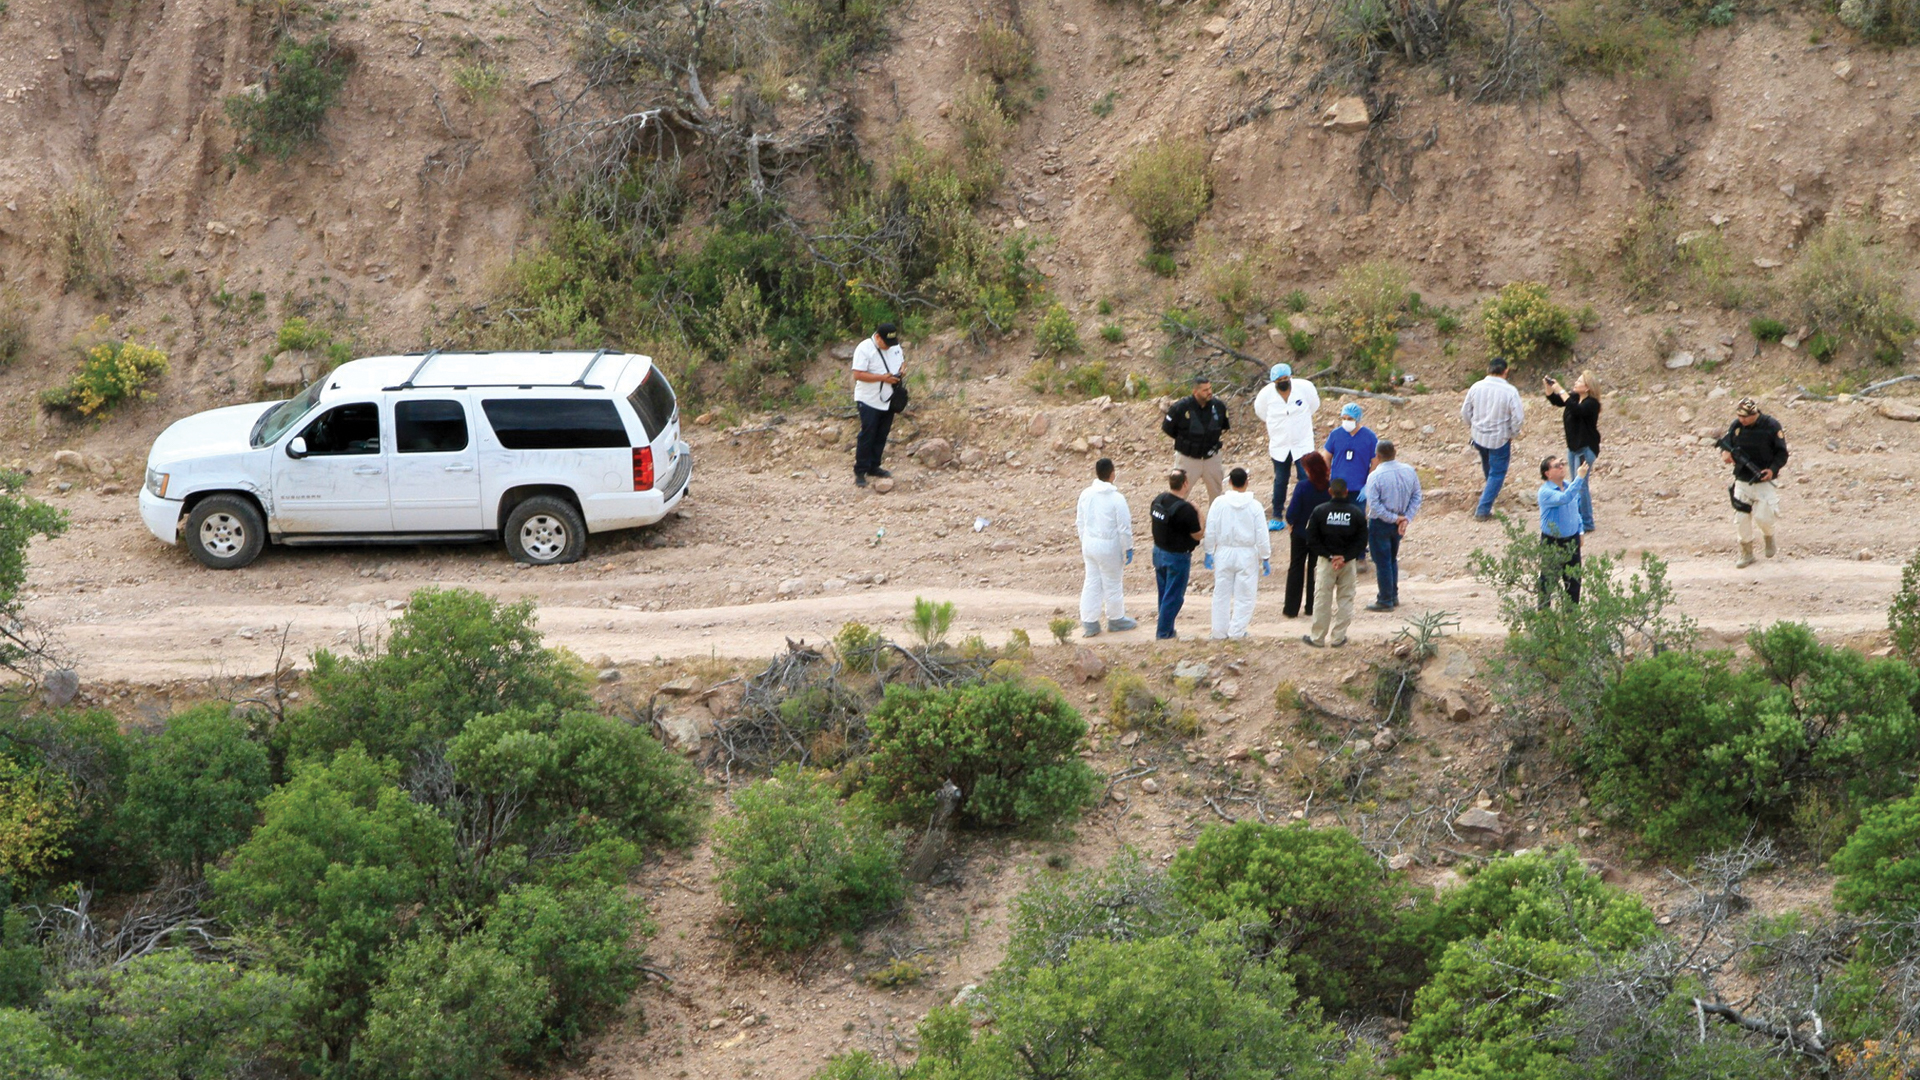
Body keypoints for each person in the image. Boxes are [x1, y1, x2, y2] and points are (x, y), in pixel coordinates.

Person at [1719, 397, 1789, 568]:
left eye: (1745, 417)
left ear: (1754, 414)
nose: (1741, 420)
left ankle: (1769, 536)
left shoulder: (1771, 425)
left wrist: (1772, 470)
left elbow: (1782, 453)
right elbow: (1727, 443)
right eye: (1739, 416)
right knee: (1741, 518)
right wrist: (1725, 452)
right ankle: (1746, 553)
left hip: (1763, 481)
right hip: (1742, 480)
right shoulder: (1737, 426)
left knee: (1763, 518)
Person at [1202, 466, 1271, 640]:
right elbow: (1261, 534)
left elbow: (1211, 528)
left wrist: (1209, 550)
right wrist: (1265, 556)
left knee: (1221, 594)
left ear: (1230, 482)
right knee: (1245, 595)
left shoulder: (1219, 503)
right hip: (1246, 554)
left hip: (1224, 551)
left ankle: (1219, 632)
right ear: (1247, 482)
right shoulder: (1254, 506)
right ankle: (1237, 631)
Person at [1252, 363, 1321, 529]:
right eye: (1279, 380)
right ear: (1273, 381)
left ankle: (1307, 513)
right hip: (1280, 445)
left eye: (1285, 378)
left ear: (1290, 377)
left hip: (1302, 444)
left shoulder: (1305, 388)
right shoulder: (1265, 395)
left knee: (1306, 478)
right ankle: (1277, 515)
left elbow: (1313, 406)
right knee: (1280, 480)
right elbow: (1261, 413)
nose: (1283, 382)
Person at [1303, 478, 1367, 649]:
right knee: (1346, 599)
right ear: (1346, 492)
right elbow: (1361, 542)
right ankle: (1338, 638)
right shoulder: (1356, 513)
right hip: (1348, 563)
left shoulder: (1320, 511)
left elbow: (1312, 539)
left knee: (1322, 599)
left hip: (1326, 563)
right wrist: (1345, 557)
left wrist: (1330, 556)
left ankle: (1317, 638)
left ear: (1330, 492)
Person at [1075, 458, 1137, 636]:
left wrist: (1084, 541)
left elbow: (1080, 521)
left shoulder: (1086, 494)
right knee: (1113, 583)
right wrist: (1128, 548)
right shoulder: (1117, 499)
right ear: (1112, 474)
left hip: (1090, 543)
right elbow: (1124, 528)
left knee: (1091, 582)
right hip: (1108, 546)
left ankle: (1089, 622)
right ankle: (1116, 619)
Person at [1360, 440, 1422, 612]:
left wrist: (1395, 519)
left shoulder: (1375, 476)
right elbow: (1417, 496)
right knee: (1392, 559)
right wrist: (1405, 518)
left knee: (1382, 561)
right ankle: (1392, 595)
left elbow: (1374, 505)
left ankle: (1385, 599)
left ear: (1377, 456)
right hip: (1399, 523)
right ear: (1395, 453)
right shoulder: (1408, 470)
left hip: (1381, 523)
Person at [1462, 356, 1525, 520]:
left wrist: (1473, 426)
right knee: (1497, 473)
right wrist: (1512, 434)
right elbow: (1518, 418)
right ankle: (1483, 509)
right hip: (1499, 438)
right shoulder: (1510, 391)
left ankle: (1490, 494)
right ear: (1506, 371)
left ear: (1488, 370)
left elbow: (1465, 411)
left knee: (1488, 466)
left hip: (1479, 436)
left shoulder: (1476, 387)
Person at [1149, 469, 1205, 640]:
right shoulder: (1186, 509)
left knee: (1164, 594)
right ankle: (1164, 633)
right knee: (1174, 597)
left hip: (1158, 553)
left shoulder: (1158, 500)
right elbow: (1198, 534)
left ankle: (1167, 630)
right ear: (1185, 484)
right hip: (1177, 558)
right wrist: (1199, 512)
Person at [1545, 371, 1602, 533]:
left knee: (1581, 484)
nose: (1575, 383)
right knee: (1575, 484)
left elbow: (1577, 410)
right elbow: (1555, 400)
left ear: (1587, 387)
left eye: (1579, 381)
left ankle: (1587, 522)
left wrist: (1560, 389)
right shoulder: (1575, 397)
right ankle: (1577, 517)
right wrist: (1549, 387)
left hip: (1585, 448)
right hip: (1573, 448)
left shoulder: (1592, 404)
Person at [851, 323, 904, 487]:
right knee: (868, 434)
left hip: (888, 398)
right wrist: (882, 378)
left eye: (891, 343)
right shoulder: (864, 348)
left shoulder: (895, 347)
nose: (889, 347)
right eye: (886, 343)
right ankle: (860, 470)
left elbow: (902, 362)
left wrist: (902, 371)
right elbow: (857, 374)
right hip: (868, 400)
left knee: (882, 434)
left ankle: (874, 466)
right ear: (878, 337)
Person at [1161, 375, 1230, 502]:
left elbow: (1223, 426)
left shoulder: (1218, 406)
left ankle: (1215, 516)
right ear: (1195, 391)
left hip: (1212, 458)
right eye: (1205, 390)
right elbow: (1167, 428)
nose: (1209, 392)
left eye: (1210, 388)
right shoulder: (1181, 407)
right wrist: (1185, 440)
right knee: (1179, 494)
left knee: (1217, 496)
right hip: (1188, 458)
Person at [1536, 455, 1591, 607]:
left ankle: (1571, 616)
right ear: (1547, 473)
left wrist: (1580, 531)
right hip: (1552, 542)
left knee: (1574, 581)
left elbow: (1575, 510)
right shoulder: (1545, 492)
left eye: (1562, 464)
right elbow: (1565, 498)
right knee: (1548, 582)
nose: (1561, 467)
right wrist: (1580, 477)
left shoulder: (1569, 486)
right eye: (1556, 466)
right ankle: (1544, 615)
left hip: (1572, 540)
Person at [1282, 451, 1332, 619]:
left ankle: (1291, 608)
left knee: (1296, 568)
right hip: (1322, 534)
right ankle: (1312, 607)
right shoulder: (1330, 487)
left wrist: (1291, 524)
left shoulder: (1303, 487)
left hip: (1301, 532)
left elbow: (1292, 512)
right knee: (1316, 570)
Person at [1324, 402, 1378, 503]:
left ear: (1357, 419)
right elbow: (1327, 457)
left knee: (1357, 513)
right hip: (1337, 488)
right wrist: (1326, 478)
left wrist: (1368, 484)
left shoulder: (1369, 437)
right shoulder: (1335, 434)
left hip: (1358, 488)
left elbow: (1375, 462)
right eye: (1343, 418)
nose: (1346, 421)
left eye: (1350, 419)